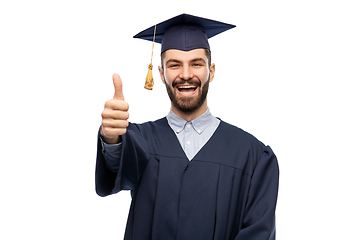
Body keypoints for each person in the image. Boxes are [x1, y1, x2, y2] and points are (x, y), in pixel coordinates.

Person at [96, 14, 279, 240]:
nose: (185, 74)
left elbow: (258, 234)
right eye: (174, 65)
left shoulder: (252, 155)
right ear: (162, 74)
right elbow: (118, 163)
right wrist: (111, 138)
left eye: (196, 63)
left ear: (211, 71)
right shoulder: (139, 140)